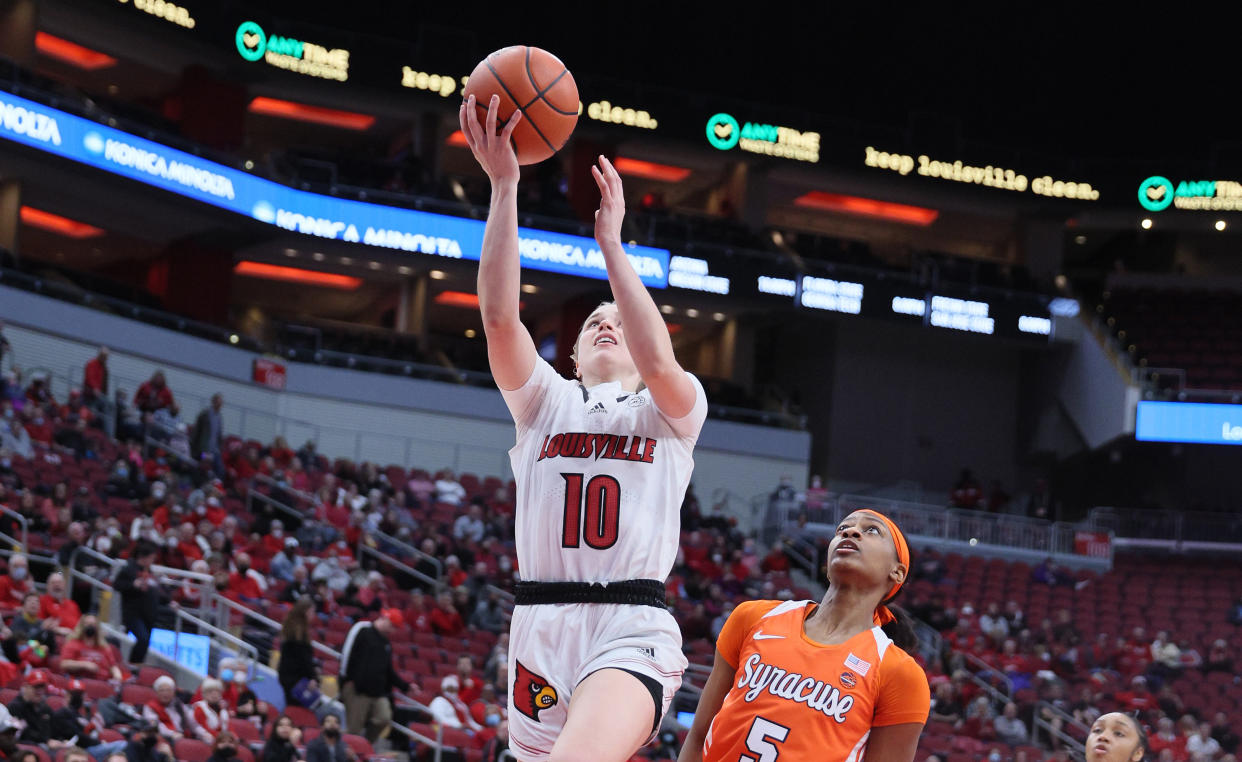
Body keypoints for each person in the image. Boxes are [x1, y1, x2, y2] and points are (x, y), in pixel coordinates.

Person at [463, 96, 708, 762]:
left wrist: (611, 247)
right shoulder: (546, 403)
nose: (608, 323)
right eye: (596, 320)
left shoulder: (672, 409)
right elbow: (499, 320)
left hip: (630, 622)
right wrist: (506, 186)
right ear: (570, 355)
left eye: (621, 322)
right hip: (538, 625)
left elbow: (659, 358)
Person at [678, 509, 929, 762]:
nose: (851, 532)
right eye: (842, 529)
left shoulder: (899, 672)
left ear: (897, 571)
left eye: (871, 530)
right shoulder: (752, 617)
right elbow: (699, 736)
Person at [338, 608, 408, 743]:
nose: (392, 631)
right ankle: (353, 751)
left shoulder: (386, 642)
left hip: (378, 693)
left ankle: (366, 745)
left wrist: (405, 686)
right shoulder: (363, 630)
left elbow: (388, 670)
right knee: (353, 731)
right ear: (385, 619)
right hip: (357, 691)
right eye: (393, 626)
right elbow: (347, 656)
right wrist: (345, 681)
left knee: (384, 717)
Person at [277, 598, 319, 709]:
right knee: (298, 710)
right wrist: (312, 677)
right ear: (305, 612)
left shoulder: (290, 626)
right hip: (296, 680)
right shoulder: (299, 632)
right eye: (312, 612)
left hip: (287, 676)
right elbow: (304, 658)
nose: (313, 615)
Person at [60, 613, 127, 681]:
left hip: (103, 682)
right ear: (82, 626)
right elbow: (64, 664)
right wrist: (84, 665)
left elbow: (113, 667)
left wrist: (117, 677)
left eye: (93, 624)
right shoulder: (72, 644)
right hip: (81, 681)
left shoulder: (104, 647)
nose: (90, 626)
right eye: (87, 623)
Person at [191, 394, 224, 475]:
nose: (219, 405)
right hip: (204, 449)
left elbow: (219, 435)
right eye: (217, 402)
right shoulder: (205, 415)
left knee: (220, 470)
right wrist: (195, 447)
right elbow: (197, 431)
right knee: (203, 468)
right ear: (213, 402)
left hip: (214, 450)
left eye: (221, 403)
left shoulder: (219, 417)